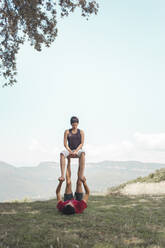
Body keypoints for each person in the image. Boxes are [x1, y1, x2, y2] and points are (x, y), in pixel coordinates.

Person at [59, 116, 85, 189]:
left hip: (78, 150)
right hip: (69, 149)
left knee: (83, 153)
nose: (74, 126)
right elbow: (65, 144)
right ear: (71, 124)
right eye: (73, 124)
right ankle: (62, 175)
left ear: (78, 124)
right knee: (62, 153)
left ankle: (81, 175)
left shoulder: (81, 132)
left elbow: (81, 144)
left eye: (76, 124)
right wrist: (70, 151)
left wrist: (76, 151)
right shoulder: (67, 131)